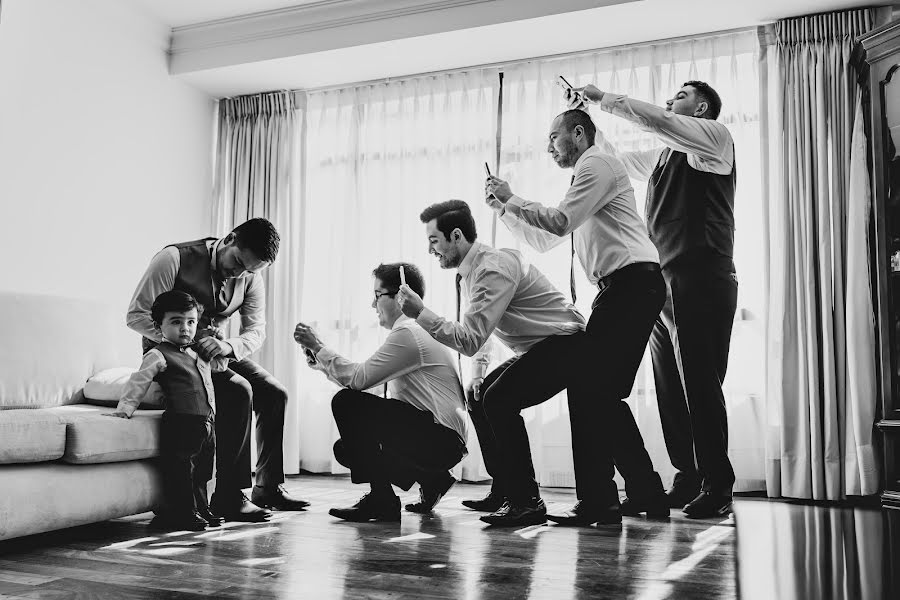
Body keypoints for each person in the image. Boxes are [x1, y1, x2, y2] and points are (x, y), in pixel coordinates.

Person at [483, 108, 669, 523]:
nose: (549, 146)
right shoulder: (588, 174)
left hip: (631, 286)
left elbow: (561, 220)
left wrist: (513, 196)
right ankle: (642, 492)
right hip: (624, 289)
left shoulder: (598, 163)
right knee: (599, 393)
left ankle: (604, 500)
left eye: (554, 137)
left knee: (590, 390)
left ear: (579, 134)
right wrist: (504, 209)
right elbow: (547, 239)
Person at [568, 81, 738, 518]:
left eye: (680, 96)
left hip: (701, 275)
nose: (669, 101)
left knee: (700, 382)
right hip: (662, 283)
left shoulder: (715, 141)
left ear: (701, 107)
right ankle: (688, 477)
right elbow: (616, 162)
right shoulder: (665, 156)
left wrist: (604, 98)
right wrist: (587, 121)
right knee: (670, 389)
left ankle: (718, 485)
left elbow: (661, 122)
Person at [397, 200, 593, 527]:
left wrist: (420, 312)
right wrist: (477, 375)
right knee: (481, 396)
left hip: (569, 343)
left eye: (434, 240)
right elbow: (483, 331)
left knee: (499, 400)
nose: (431, 250)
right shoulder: (472, 273)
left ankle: (527, 502)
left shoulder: (491, 268)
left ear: (456, 235)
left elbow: (469, 338)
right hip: (545, 347)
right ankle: (504, 490)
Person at [127, 218, 308, 523]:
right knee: (238, 390)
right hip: (172, 354)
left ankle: (268, 488)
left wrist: (229, 346)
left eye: (248, 270)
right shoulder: (172, 259)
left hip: (218, 353)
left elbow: (256, 330)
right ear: (229, 238)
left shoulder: (250, 276)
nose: (238, 274)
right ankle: (229, 496)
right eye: (237, 262)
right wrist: (187, 340)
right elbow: (136, 315)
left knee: (274, 393)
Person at [293, 263, 468, 522]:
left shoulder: (409, 332)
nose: (372, 305)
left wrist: (319, 346)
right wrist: (321, 363)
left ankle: (382, 500)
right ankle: (434, 479)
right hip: (444, 441)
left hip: (441, 440)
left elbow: (359, 381)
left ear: (401, 295)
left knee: (346, 404)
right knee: (346, 448)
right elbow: (371, 387)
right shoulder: (415, 331)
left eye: (377, 295)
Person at [106, 291, 227, 531]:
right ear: (158, 325)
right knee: (182, 469)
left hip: (207, 421)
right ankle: (184, 511)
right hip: (181, 422)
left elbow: (221, 366)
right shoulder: (158, 354)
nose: (185, 328)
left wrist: (219, 343)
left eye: (191, 322)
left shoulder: (197, 353)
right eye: (176, 322)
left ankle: (202, 507)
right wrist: (126, 408)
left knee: (204, 470)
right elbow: (139, 381)